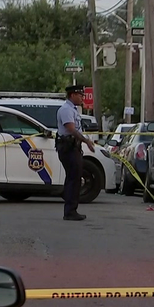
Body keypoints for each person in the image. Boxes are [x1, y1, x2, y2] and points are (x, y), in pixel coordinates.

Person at [56, 85, 96, 221]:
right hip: (68, 148)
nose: (82, 98)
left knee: (75, 178)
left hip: (73, 147)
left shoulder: (73, 109)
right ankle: (70, 211)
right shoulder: (66, 110)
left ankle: (72, 209)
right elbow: (72, 129)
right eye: (80, 95)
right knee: (73, 179)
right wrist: (87, 141)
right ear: (72, 95)